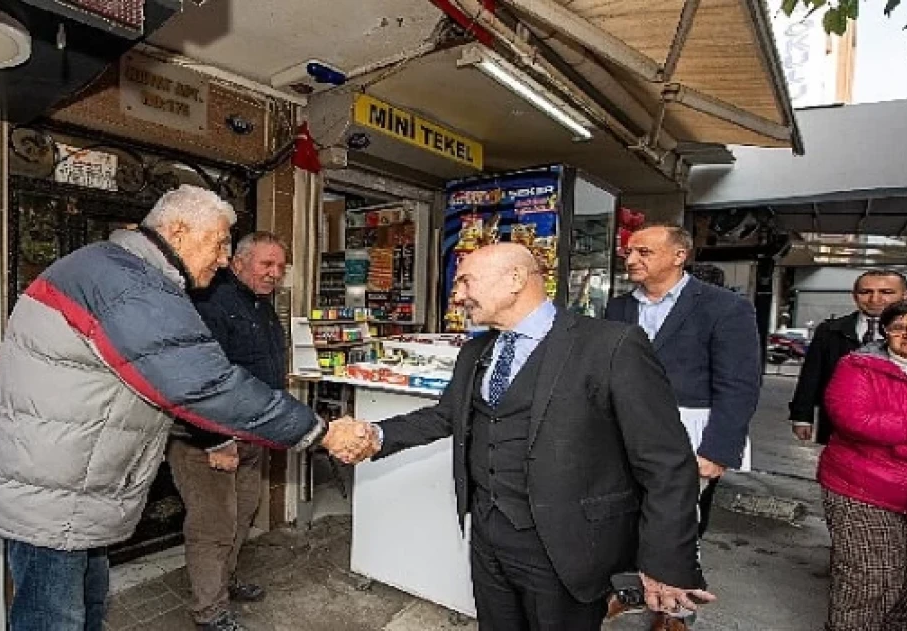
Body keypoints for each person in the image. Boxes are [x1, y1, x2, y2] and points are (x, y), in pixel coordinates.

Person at [0, 185, 354, 631]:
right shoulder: (130, 284)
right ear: (177, 229)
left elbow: (16, 355)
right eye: (218, 242)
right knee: (54, 620)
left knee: (89, 609)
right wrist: (322, 432)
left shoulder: (108, 269)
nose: (222, 256)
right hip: (52, 496)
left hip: (73, 491)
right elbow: (204, 385)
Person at [333, 243, 712, 631]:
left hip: (567, 546)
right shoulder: (476, 350)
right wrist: (376, 434)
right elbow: (446, 415)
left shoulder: (611, 346)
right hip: (487, 535)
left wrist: (666, 561)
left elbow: (666, 461)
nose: (457, 295)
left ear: (515, 280)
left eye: (465, 281)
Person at [605, 224, 761, 539]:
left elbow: (738, 385)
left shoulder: (725, 308)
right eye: (629, 252)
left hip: (689, 432)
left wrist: (718, 451)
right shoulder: (619, 307)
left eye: (644, 252)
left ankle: (672, 584)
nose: (632, 259)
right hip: (625, 432)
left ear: (679, 255)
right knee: (624, 520)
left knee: (677, 526)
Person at [169, 232, 288, 631]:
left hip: (252, 438)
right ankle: (210, 612)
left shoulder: (262, 306)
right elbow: (192, 380)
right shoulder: (211, 303)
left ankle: (225, 582)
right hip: (210, 442)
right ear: (237, 263)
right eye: (266, 264)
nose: (275, 273)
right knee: (213, 526)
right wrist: (214, 438)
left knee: (240, 517)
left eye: (280, 266)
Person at [818, 296, 907, 630]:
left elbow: (885, 426)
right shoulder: (858, 365)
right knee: (870, 580)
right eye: (900, 327)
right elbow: (854, 420)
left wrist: (905, 443)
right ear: (885, 332)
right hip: (862, 487)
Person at [790, 269, 907, 444]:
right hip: (839, 427)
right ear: (854, 296)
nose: (875, 299)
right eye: (865, 292)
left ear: (905, 295)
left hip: (899, 429)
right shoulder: (830, 331)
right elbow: (811, 375)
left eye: (886, 292)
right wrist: (802, 416)